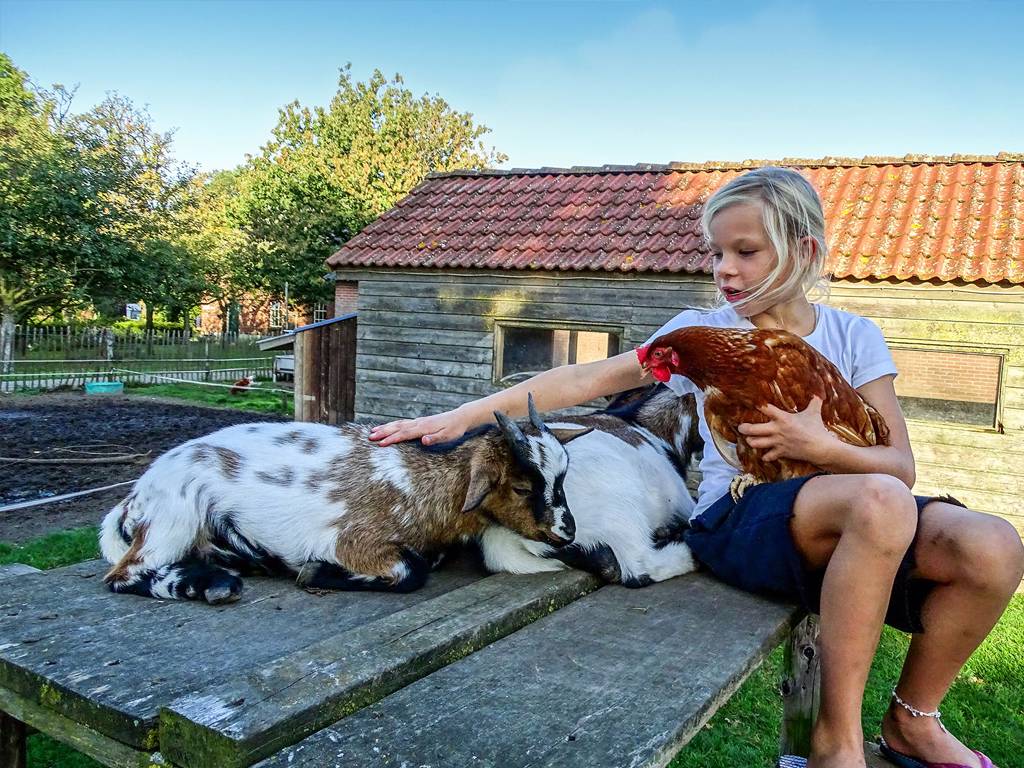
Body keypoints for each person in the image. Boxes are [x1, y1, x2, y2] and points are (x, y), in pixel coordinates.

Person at [369, 167, 1024, 768]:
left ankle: (915, 718)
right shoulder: (699, 333)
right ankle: (837, 742)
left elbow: (898, 465)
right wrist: (461, 417)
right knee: (880, 503)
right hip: (741, 518)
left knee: (993, 547)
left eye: (746, 251)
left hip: (858, 513)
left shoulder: (854, 337)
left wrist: (822, 447)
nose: (724, 269)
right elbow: (586, 378)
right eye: (716, 253)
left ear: (805, 252)